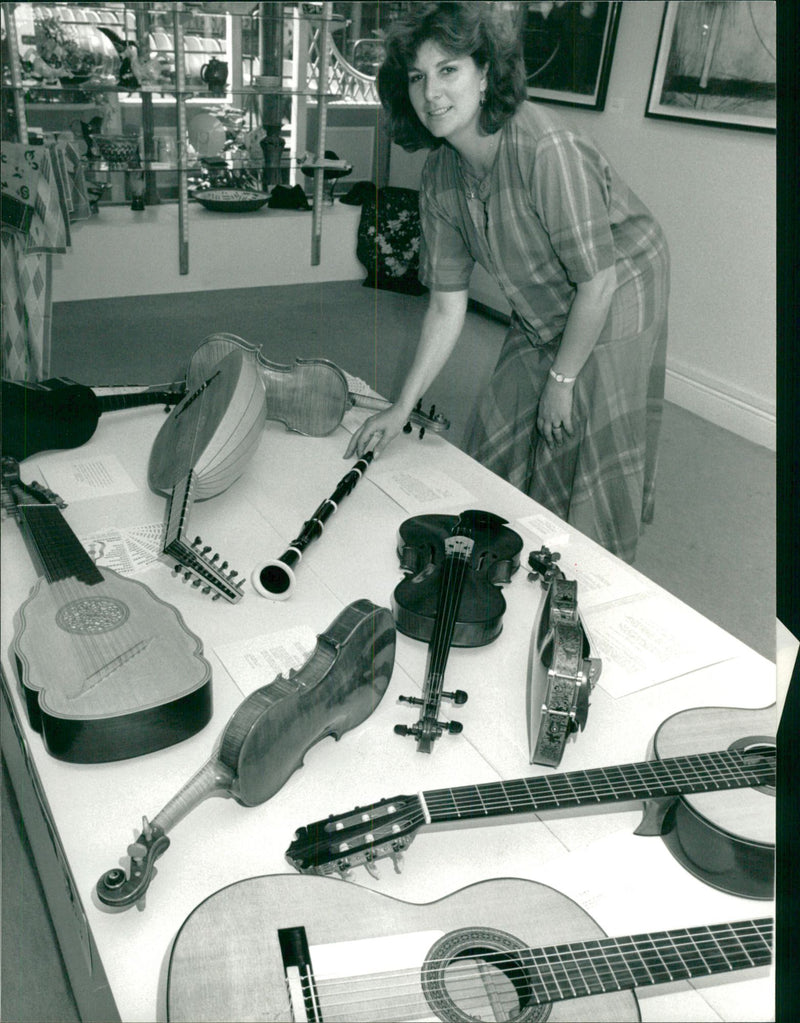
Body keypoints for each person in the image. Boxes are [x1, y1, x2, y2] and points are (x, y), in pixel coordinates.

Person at [345, 1, 669, 564]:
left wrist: (563, 380)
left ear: (486, 72)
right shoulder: (441, 175)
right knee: (506, 410)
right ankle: (512, 533)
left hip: (618, 279)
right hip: (546, 291)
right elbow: (447, 308)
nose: (431, 94)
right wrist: (402, 406)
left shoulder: (547, 150)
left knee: (581, 426)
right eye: (418, 77)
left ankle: (594, 567)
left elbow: (596, 283)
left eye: (449, 70)